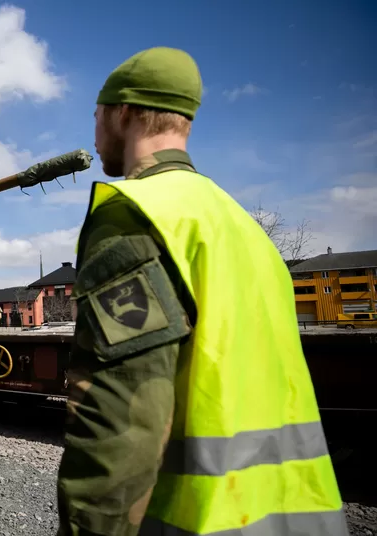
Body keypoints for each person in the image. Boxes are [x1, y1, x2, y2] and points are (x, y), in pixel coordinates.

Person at [56, 46, 347, 535]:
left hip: (197, 518)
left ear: (121, 112)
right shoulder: (241, 226)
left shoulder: (137, 214)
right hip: (299, 516)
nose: (95, 130)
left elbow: (124, 412)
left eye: (97, 115)